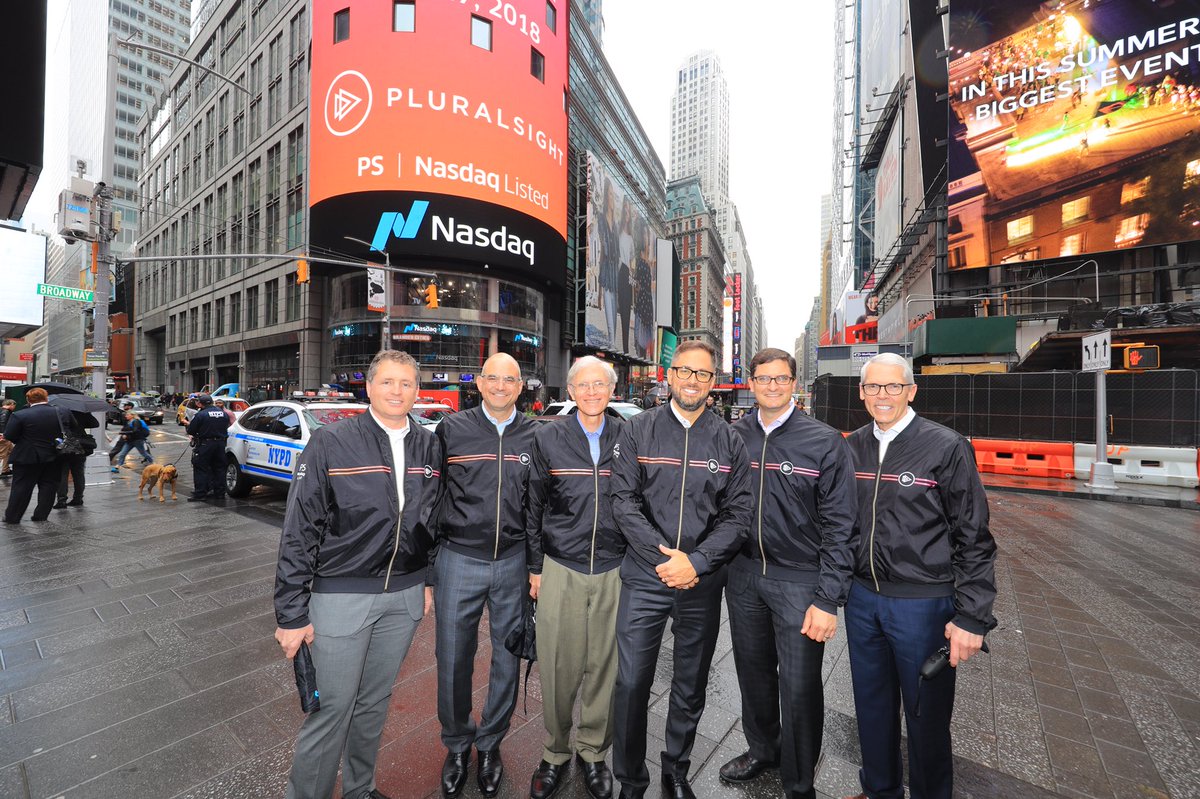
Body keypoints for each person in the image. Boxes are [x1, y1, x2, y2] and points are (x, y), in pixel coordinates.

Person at [275, 350, 442, 799]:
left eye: (406, 383)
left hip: (403, 598)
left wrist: (425, 578)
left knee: (373, 704)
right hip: (341, 597)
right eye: (387, 382)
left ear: (416, 390)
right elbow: (299, 529)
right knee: (332, 708)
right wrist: (291, 614)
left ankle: (359, 789)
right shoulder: (332, 441)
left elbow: (431, 521)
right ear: (368, 387)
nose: (397, 391)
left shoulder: (429, 445)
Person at [841, 353, 996, 799]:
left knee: (926, 716)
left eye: (893, 387)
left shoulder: (945, 445)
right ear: (862, 393)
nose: (882, 396)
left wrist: (972, 617)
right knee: (872, 706)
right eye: (873, 387)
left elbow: (974, 535)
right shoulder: (851, 447)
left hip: (924, 604)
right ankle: (880, 789)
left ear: (911, 391)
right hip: (862, 598)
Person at [609, 341, 753, 799]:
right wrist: (663, 560)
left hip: (701, 582)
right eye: (683, 371)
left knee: (690, 682)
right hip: (644, 576)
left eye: (703, 374)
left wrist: (697, 562)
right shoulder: (637, 430)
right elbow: (623, 501)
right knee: (631, 681)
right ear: (668, 375)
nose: (692, 380)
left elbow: (738, 514)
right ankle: (631, 778)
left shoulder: (730, 440)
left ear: (714, 382)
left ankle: (676, 766)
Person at [718, 349, 858, 799]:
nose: (772, 386)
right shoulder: (732, 435)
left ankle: (799, 782)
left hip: (800, 581)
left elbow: (842, 524)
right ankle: (763, 749)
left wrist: (827, 597)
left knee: (798, 688)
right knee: (753, 674)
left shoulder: (823, 441)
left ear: (794, 382)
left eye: (781, 379)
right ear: (751, 382)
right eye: (763, 378)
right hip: (742, 575)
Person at [433, 352, 537, 799]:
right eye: (491, 377)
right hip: (458, 558)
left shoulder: (537, 434)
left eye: (508, 379)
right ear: (479, 382)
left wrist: (536, 566)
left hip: (513, 561)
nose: (499, 385)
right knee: (453, 656)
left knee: (507, 657)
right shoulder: (451, 429)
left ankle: (491, 742)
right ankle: (457, 743)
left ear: (521, 385)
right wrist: (427, 563)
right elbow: (432, 496)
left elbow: (539, 507)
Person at [526, 356, 626, 799]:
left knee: (605, 665)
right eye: (582, 385)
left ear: (611, 389)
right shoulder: (548, 437)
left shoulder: (628, 435)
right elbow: (531, 508)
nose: (591, 392)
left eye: (599, 384)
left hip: (614, 565)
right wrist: (534, 568)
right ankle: (555, 750)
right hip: (560, 565)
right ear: (570, 391)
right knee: (558, 664)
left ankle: (593, 751)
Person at [2, 389, 66, 524]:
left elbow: (10, 435)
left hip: (27, 456)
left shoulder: (20, 415)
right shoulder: (61, 412)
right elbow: (70, 429)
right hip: (54, 454)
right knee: (49, 485)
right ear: (46, 398)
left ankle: (13, 517)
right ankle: (41, 515)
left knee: (22, 487)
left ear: (28, 400)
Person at [185, 394, 230, 501]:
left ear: (201, 404)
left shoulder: (201, 414)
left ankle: (201, 494)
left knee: (201, 468)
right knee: (219, 469)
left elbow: (191, 430)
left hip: (206, 444)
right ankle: (219, 493)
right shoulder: (223, 413)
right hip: (220, 444)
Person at [54, 410, 99, 508]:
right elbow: (95, 424)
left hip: (65, 445)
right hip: (80, 445)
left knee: (62, 474)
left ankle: (62, 500)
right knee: (79, 474)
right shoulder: (82, 412)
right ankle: (78, 499)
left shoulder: (60, 412)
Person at [0, 398, 17, 477]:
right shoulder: (5, 412)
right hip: (4, 436)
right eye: (14, 405)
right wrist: (3, 434)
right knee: (2, 453)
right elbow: (3, 422)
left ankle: (5, 469)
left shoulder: (2, 410)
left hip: (5, 436)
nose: (14, 407)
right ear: (11, 404)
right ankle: (4, 470)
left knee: (10, 451)